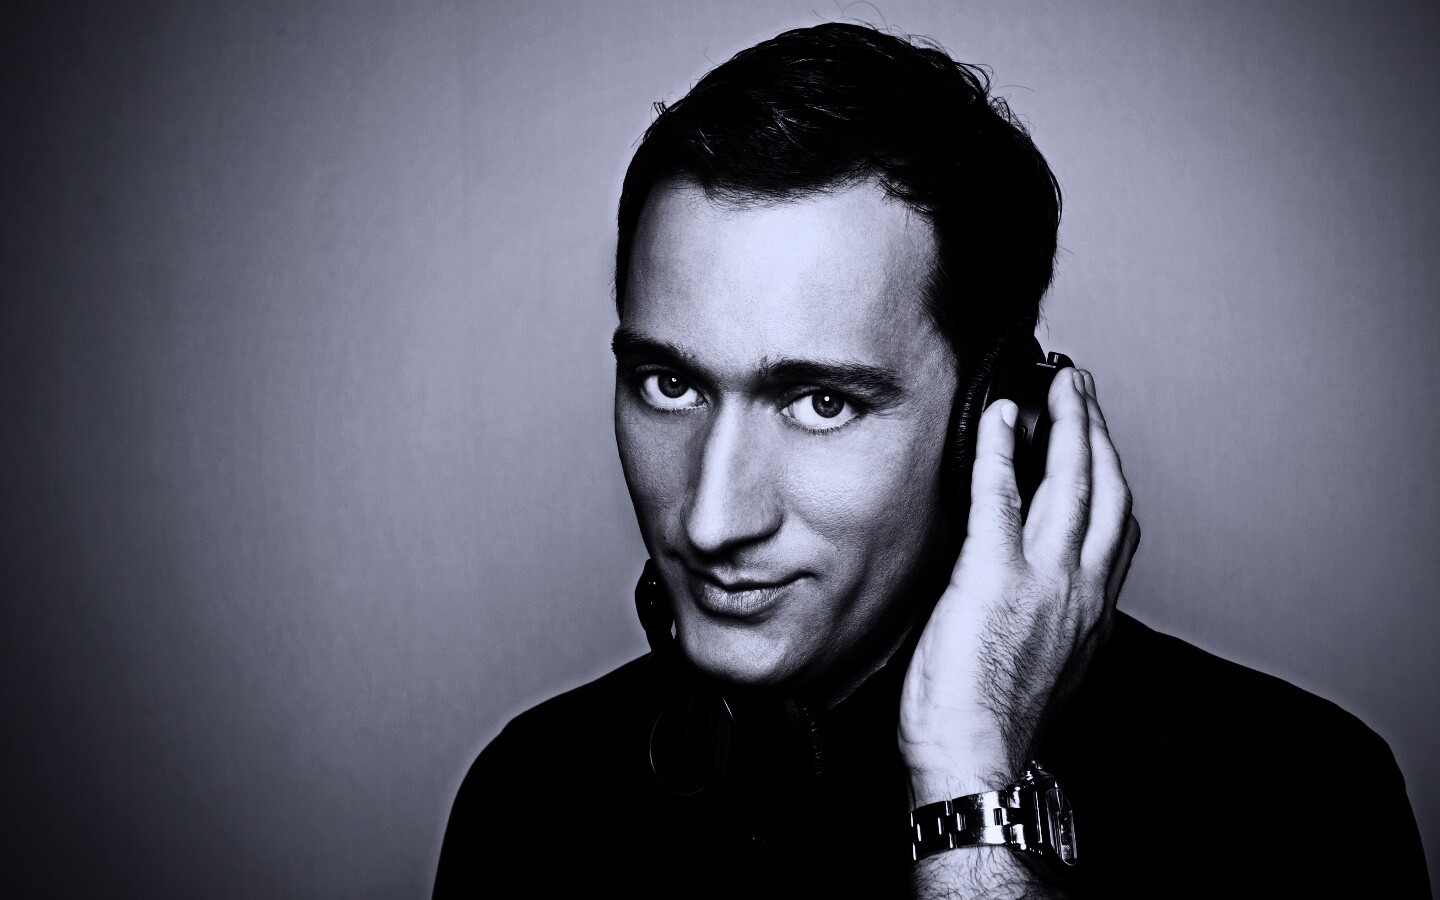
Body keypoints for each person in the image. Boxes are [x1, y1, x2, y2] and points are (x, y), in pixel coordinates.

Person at [434, 23, 1429, 898]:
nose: (710, 519)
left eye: (822, 403)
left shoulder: (1291, 802)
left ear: (994, 423)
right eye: (670, 384)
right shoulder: (525, 800)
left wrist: (972, 785)